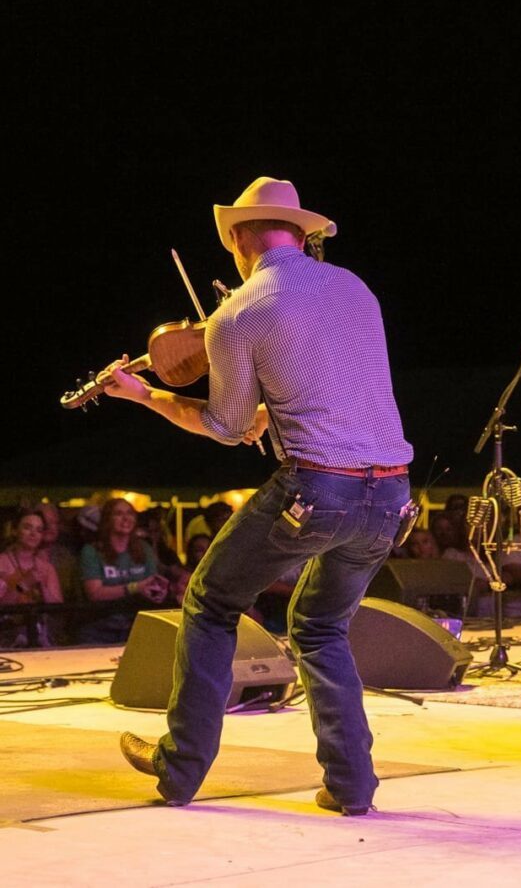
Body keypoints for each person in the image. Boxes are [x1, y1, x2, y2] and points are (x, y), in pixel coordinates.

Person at [105, 176, 413, 814]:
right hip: (390, 494)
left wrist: (148, 396)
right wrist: (272, 410)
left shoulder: (241, 310)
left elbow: (224, 426)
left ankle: (180, 768)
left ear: (241, 237)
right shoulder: (356, 288)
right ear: (301, 233)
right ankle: (352, 785)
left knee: (212, 602)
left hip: (318, 488)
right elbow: (329, 383)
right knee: (322, 626)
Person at [79, 498, 170, 644]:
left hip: (135, 625)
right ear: (107, 520)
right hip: (100, 628)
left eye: (130, 513)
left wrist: (159, 590)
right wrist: (135, 587)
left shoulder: (144, 548)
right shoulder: (92, 551)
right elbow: (94, 593)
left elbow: (151, 582)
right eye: (118, 514)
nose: (126, 518)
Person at [0, 509, 63, 647]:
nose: (33, 534)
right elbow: (3, 605)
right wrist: (23, 585)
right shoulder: (2, 563)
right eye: (27, 527)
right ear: (15, 530)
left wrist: (43, 588)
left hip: (40, 635)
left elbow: (58, 608)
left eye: (39, 530)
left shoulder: (46, 568)